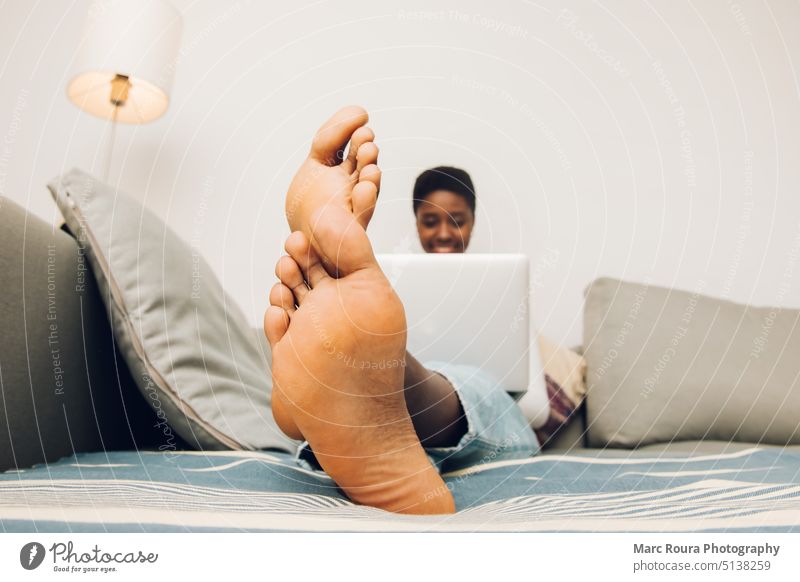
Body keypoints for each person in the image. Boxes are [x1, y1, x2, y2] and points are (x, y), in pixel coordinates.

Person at [264, 106, 539, 516]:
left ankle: (396, 380)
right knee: (443, 393)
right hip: (414, 413)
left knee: (480, 387)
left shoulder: (501, 287)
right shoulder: (380, 280)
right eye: (431, 221)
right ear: (416, 223)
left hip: (466, 400)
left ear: (473, 222)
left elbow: (539, 402)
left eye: (456, 221)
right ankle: (382, 386)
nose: (444, 232)